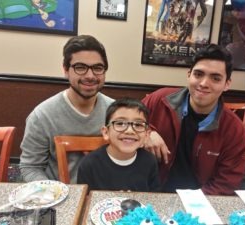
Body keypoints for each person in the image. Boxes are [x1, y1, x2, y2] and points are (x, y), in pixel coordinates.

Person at [142, 44, 245, 195]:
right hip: (150, 192)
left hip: (199, 202)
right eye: (198, 74)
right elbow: (127, 123)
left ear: (227, 84)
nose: (204, 83)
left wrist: (193, 206)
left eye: (215, 78)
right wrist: (146, 132)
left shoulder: (235, 131)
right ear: (188, 75)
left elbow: (225, 184)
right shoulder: (160, 100)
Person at [19, 35, 114, 183]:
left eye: (97, 68)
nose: (90, 75)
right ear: (66, 70)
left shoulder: (115, 112)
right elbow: (30, 167)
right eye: (80, 67)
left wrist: (151, 133)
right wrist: (52, 193)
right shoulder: (42, 116)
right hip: (59, 197)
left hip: (105, 196)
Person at [77, 97, 160, 192]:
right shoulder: (89, 164)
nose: (130, 131)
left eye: (138, 125)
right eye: (120, 123)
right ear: (106, 132)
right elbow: (85, 201)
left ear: (146, 135)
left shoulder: (150, 161)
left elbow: (154, 197)